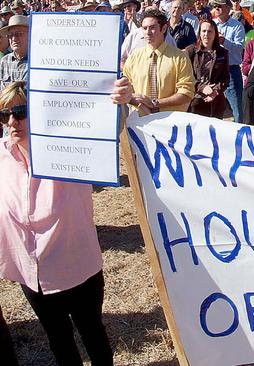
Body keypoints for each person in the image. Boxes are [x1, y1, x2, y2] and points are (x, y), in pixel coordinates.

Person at [0, 79, 130, 366]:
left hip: (77, 267)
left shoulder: (68, 148)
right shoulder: (2, 155)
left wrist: (119, 102)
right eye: (5, 114)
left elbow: (106, 130)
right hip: (34, 274)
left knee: (92, 335)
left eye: (20, 111)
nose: (12, 121)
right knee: (59, 340)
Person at [123, 8, 196, 114]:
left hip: (169, 124)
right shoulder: (134, 58)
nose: (147, 32)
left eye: (152, 28)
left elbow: (186, 94)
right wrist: (137, 100)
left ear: (164, 28)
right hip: (140, 123)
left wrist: (155, 103)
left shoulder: (180, 58)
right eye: (144, 28)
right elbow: (126, 90)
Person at [185, 19, 230, 118]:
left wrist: (215, 91)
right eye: (203, 31)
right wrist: (201, 87)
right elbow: (186, 76)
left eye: (210, 31)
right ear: (199, 33)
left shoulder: (223, 53)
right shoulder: (190, 51)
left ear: (215, 34)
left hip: (216, 102)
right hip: (194, 101)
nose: (206, 34)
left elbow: (225, 78)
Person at [213, 0, 245, 123]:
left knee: (236, 107)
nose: (216, 8)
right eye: (215, 6)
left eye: (219, 6)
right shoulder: (212, 24)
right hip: (214, 69)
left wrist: (224, 41)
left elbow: (239, 48)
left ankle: (239, 131)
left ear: (227, 8)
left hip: (231, 69)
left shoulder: (237, 26)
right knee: (215, 105)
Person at [0, 15, 28, 90]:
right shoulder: (4, 61)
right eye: (10, 35)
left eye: (18, 34)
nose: (14, 39)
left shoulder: (36, 62)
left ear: (30, 35)